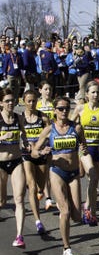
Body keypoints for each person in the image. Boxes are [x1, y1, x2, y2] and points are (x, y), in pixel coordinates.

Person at [32, 97, 88, 255]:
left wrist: (83, 153)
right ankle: (66, 248)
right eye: (61, 109)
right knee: (65, 211)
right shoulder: (49, 130)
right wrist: (41, 152)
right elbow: (34, 151)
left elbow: (83, 149)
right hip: (57, 172)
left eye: (66, 108)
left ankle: (66, 205)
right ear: (55, 111)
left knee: (77, 216)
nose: (64, 112)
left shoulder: (76, 128)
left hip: (73, 173)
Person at [71, 80, 99, 226]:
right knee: (93, 177)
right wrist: (77, 137)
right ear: (87, 94)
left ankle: (88, 207)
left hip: (98, 148)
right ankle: (90, 210)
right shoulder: (81, 108)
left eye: (97, 92)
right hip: (85, 149)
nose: (95, 94)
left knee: (96, 179)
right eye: (92, 92)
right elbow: (69, 124)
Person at [0, 88, 28, 247]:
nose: (11, 103)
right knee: (2, 202)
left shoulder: (18, 118)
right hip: (1, 163)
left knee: (19, 199)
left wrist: (29, 147)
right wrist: (3, 137)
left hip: (17, 161)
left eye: (12, 100)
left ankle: (19, 236)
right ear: (1, 103)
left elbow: (24, 137)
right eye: (7, 101)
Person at [20, 89, 50, 235]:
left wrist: (46, 148)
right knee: (31, 186)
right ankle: (38, 221)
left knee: (41, 186)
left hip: (42, 154)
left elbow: (50, 134)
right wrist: (26, 145)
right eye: (29, 101)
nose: (32, 104)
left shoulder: (42, 117)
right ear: (24, 101)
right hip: (27, 154)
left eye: (34, 101)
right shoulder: (21, 118)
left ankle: (40, 192)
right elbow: (18, 136)